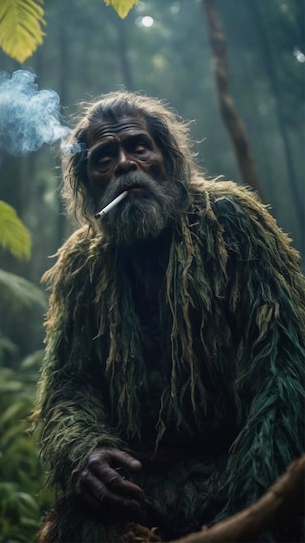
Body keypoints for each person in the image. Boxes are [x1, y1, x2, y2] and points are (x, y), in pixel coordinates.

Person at [34, 91, 305, 543]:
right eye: (104, 157)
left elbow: (285, 367)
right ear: (90, 183)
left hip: (238, 466)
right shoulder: (81, 265)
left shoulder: (230, 220)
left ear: (166, 155)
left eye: (138, 146)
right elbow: (69, 383)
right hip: (136, 485)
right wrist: (85, 452)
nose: (124, 163)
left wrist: (253, 496)